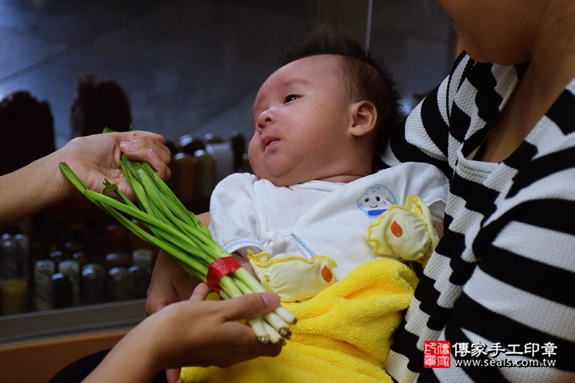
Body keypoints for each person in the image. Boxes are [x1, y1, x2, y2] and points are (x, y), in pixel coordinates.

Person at [148, 1, 575, 382]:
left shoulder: (562, 191)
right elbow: (347, 191)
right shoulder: (483, 78)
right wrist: (196, 241)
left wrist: (390, 348)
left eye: (292, 98)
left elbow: (518, 357)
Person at [153, 31, 448, 383]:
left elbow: (437, 215)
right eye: (257, 116)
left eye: (290, 98)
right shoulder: (248, 192)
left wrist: (423, 230)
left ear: (359, 119)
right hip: (260, 342)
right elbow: (232, 247)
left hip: (347, 352)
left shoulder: (402, 181)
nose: (264, 118)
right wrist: (240, 266)